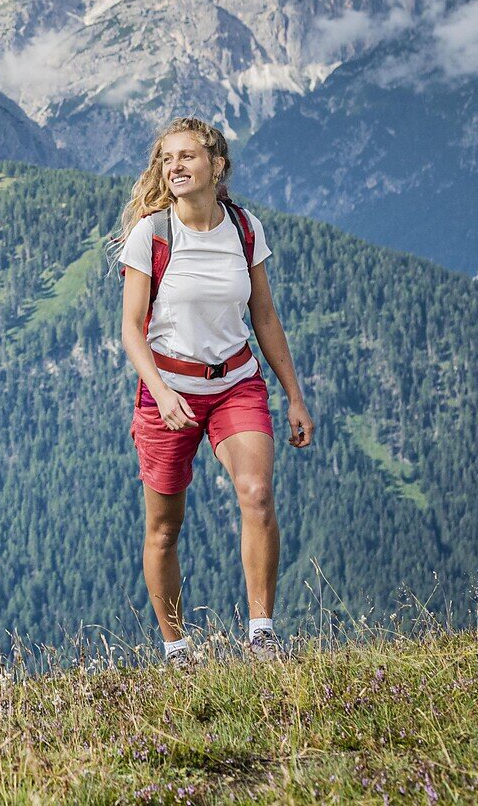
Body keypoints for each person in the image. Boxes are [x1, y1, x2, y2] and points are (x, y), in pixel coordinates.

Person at [115, 117, 314, 663]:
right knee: (164, 528)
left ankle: (262, 634)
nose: (174, 166)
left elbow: (265, 316)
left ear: (217, 165)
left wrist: (294, 396)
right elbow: (131, 329)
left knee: (257, 493)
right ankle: (177, 647)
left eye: (187, 156)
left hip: (235, 384)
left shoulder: (244, 229)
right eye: (167, 158)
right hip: (168, 390)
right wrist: (161, 392)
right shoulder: (152, 234)